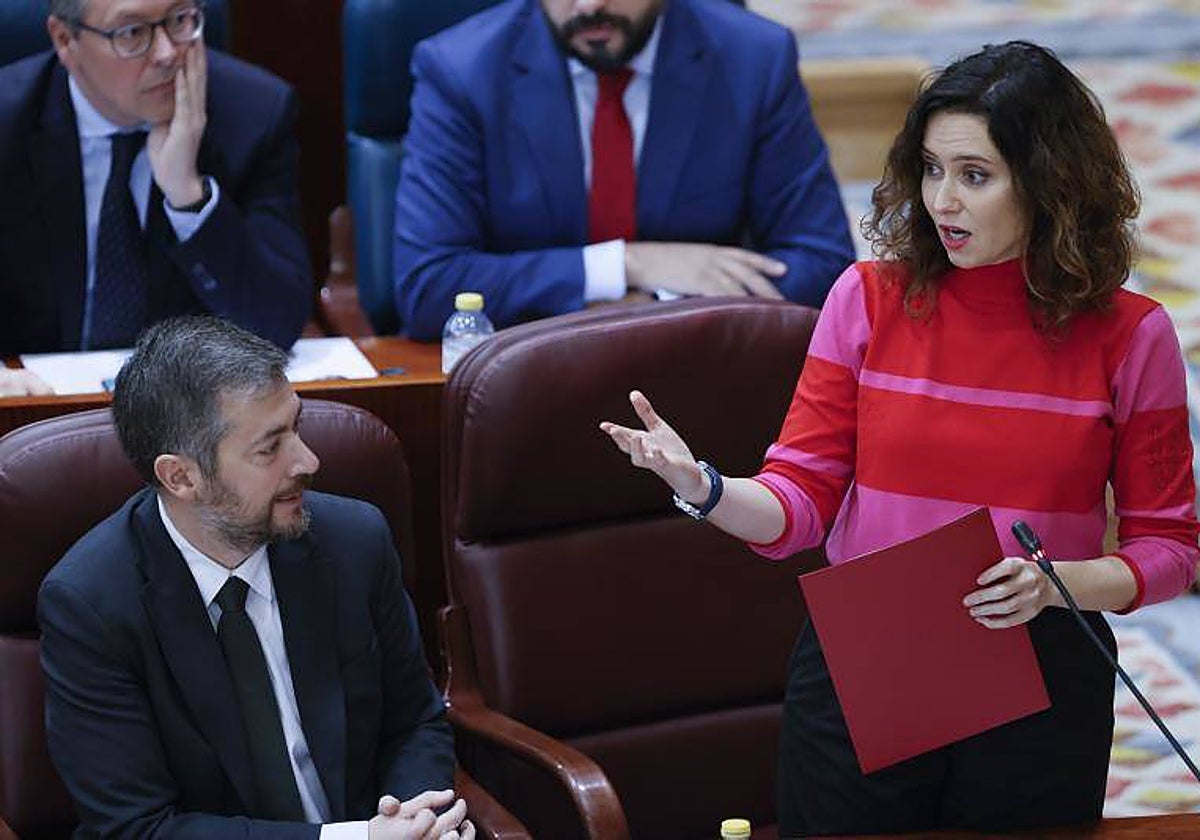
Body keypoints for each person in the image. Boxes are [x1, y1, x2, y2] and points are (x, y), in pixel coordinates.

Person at [601, 41, 1199, 835]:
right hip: (869, 656)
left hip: (1042, 660)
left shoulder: (1132, 336)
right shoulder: (869, 300)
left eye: (975, 176)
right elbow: (798, 505)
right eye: (931, 169)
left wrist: (1062, 585)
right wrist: (704, 489)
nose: (943, 200)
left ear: (1049, 184)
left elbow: (1171, 549)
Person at [39, 316, 474, 839]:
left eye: (297, 426)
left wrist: (416, 822)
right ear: (181, 477)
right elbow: (139, 829)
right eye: (270, 448)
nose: (307, 460)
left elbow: (414, 724)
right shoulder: (91, 604)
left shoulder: (355, 541)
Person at [393, 0, 855, 340]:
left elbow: (822, 266)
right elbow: (429, 286)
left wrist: (656, 307)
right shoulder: (461, 70)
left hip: (697, 373)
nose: (591, 6)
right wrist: (631, 263)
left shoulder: (753, 59)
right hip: (525, 385)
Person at [0, 0, 313, 396]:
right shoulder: (7, 123)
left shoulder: (253, 115)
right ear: (65, 40)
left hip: (185, 415)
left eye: (180, 21)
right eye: (132, 33)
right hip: (33, 406)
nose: (167, 54)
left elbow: (277, 325)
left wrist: (189, 195)